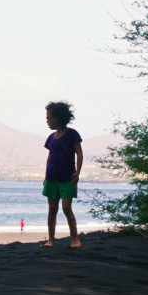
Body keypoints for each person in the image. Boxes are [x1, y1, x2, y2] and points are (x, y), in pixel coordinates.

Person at [42, 101, 82, 248]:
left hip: (67, 178)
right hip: (52, 178)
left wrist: (78, 172)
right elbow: (50, 158)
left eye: (49, 118)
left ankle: (75, 239)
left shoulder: (72, 134)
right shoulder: (51, 137)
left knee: (66, 208)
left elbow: (79, 152)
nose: (47, 121)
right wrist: (46, 177)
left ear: (58, 118)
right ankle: (51, 240)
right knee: (52, 210)